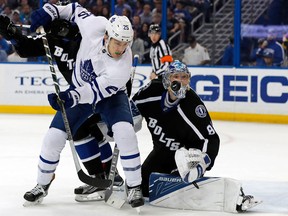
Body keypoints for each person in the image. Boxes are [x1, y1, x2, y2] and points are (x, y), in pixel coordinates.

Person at [28, 2, 144, 208]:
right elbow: (73, 8)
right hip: (80, 88)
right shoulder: (95, 26)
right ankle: (42, 184)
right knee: (53, 136)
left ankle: (134, 186)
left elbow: (93, 92)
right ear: (107, 36)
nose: (121, 49)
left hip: (110, 97)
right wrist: (50, 11)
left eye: (126, 44)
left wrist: (70, 97)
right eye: (117, 43)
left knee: (124, 132)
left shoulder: (121, 68)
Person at [0, 11, 123, 204]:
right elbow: (25, 49)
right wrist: (11, 33)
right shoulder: (53, 40)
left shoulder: (91, 36)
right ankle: (43, 184)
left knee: (90, 130)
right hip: (78, 97)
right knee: (55, 137)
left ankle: (109, 176)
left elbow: (118, 68)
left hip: (106, 96)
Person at [132, 60, 260, 213]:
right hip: (163, 151)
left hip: (188, 155)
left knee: (179, 174)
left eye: (184, 77)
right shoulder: (151, 91)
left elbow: (211, 139)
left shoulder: (193, 105)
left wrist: (202, 163)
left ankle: (233, 196)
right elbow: (131, 108)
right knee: (141, 185)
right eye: (176, 77)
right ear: (167, 79)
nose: (180, 81)